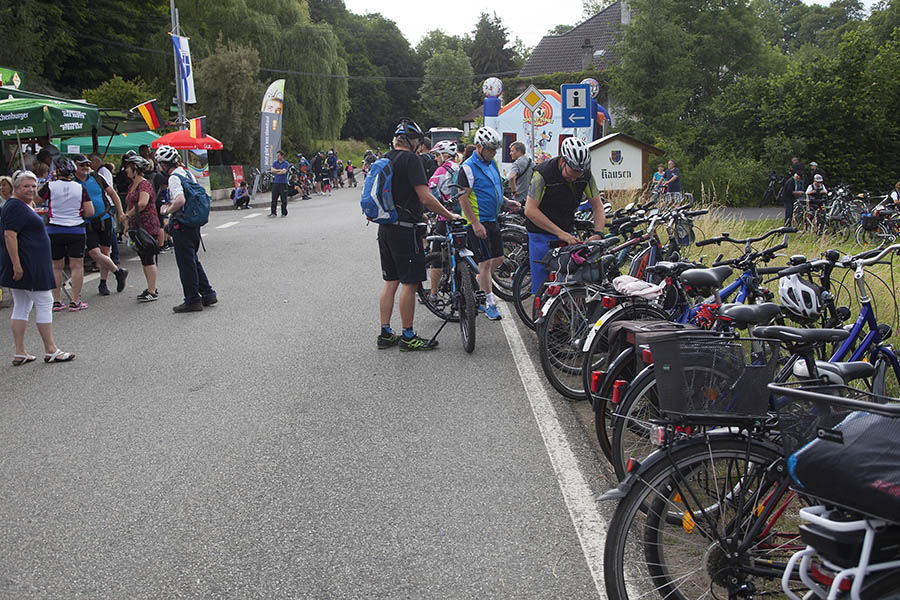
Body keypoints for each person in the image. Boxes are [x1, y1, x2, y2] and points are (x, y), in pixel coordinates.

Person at [376, 118, 458, 351]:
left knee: (390, 282)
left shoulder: (386, 158)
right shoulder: (411, 160)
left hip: (386, 227)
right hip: (405, 231)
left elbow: (396, 194)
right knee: (410, 284)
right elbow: (424, 196)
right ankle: (408, 336)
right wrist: (448, 215)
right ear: (412, 142)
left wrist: (419, 214)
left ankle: (385, 333)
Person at [1, 171, 75, 365]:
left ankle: (20, 352)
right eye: (26, 186)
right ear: (16, 187)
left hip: (28, 262)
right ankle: (50, 349)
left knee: (22, 305)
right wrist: (17, 265)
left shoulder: (20, 205)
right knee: (44, 301)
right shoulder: (15, 207)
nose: (31, 189)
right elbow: (10, 235)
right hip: (28, 263)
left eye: (33, 186)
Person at [524, 137, 606, 296]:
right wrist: (559, 233)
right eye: (571, 173)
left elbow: (598, 206)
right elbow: (530, 210)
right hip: (540, 231)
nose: (575, 178)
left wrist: (598, 233)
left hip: (567, 229)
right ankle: (544, 316)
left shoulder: (585, 175)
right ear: (563, 161)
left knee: (570, 282)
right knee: (544, 286)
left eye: (578, 174)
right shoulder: (542, 174)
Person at [457, 126, 521, 321]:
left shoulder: (491, 162)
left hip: (492, 220)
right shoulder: (467, 168)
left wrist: (506, 202)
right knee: (484, 263)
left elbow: (494, 189)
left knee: (499, 258)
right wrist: (475, 223)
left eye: (495, 149)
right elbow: (463, 199)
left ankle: (479, 282)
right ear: (479, 147)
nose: (493, 153)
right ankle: (489, 303)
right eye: (490, 149)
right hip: (477, 222)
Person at [156, 145, 217, 313]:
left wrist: (167, 210)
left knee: (186, 264)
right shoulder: (187, 173)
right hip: (194, 224)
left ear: (164, 164)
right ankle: (208, 293)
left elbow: (181, 200)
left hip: (182, 225)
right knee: (193, 260)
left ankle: (192, 300)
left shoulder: (174, 178)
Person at [39, 156, 94, 312]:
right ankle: (75, 301)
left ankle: (57, 301)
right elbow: (90, 211)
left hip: (54, 229)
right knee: (77, 266)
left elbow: (35, 199)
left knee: (56, 266)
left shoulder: (49, 186)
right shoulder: (80, 188)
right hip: (76, 229)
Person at [72, 154, 128, 296]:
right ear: (74, 166)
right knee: (93, 253)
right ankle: (118, 272)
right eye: (82, 165)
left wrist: (120, 212)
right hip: (87, 222)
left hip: (105, 218)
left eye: (87, 164)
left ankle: (103, 283)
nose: (86, 167)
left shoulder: (96, 177)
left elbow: (113, 194)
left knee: (105, 252)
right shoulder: (72, 182)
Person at [425, 140, 460, 303]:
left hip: (443, 217)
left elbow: (431, 191)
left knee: (436, 257)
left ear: (445, 155)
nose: (436, 159)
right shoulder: (461, 168)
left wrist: (432, 209)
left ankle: (433, 293)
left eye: (437, 155)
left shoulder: (440, 170)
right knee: (462, 253)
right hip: (461, 217)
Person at [122, 155, 160, 302]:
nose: (126, 170)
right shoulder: (133, 185)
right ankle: (150, 287)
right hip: (136, 225)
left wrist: (126, 215)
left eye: (128, 167)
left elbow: (143, 203)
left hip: (147, 225)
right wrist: (126, 223)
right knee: (144, 257)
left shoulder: (144, 185)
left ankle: (152, 290)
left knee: (148, 257)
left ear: (135, 169)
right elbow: (130, 204)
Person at [507, 141, 534, 207]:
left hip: (518, 199)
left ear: (519, 151)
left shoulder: (516, 163)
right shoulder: (531, 162)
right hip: (529, 198)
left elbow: (511, 177)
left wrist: (514, 191)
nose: (510, 153)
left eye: (512, 151)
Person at [269, 150, 290, 217]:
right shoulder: (275, 162)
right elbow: (272, 170)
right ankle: (273, 212)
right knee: (274, 198)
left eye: (278, 155)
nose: (277, 157)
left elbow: (283, 172)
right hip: (276, 182)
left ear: (282, 156)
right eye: (277, 155)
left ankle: (284, 212)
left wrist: (277, 171)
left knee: (283, 199)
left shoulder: (286, 163)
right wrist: (279, 170)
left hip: (283, 183)